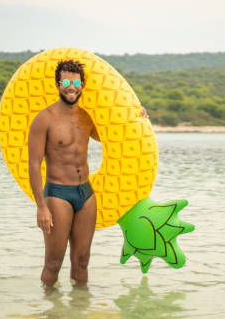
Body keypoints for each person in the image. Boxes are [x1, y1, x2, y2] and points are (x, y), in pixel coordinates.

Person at [28, 60, 147, 287]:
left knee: (82, 261)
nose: (70, 87)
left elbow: (114, 133)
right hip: (58, 194)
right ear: (58, 84)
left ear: (82, 84)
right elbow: (34, 165)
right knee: (53, 262)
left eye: (75, 82)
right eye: (65, 81)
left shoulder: (87, 117)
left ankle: (79, 316)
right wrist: (41, 206)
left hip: (86, 193)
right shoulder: (45, 119)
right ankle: (51, 316)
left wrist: (137, 117)